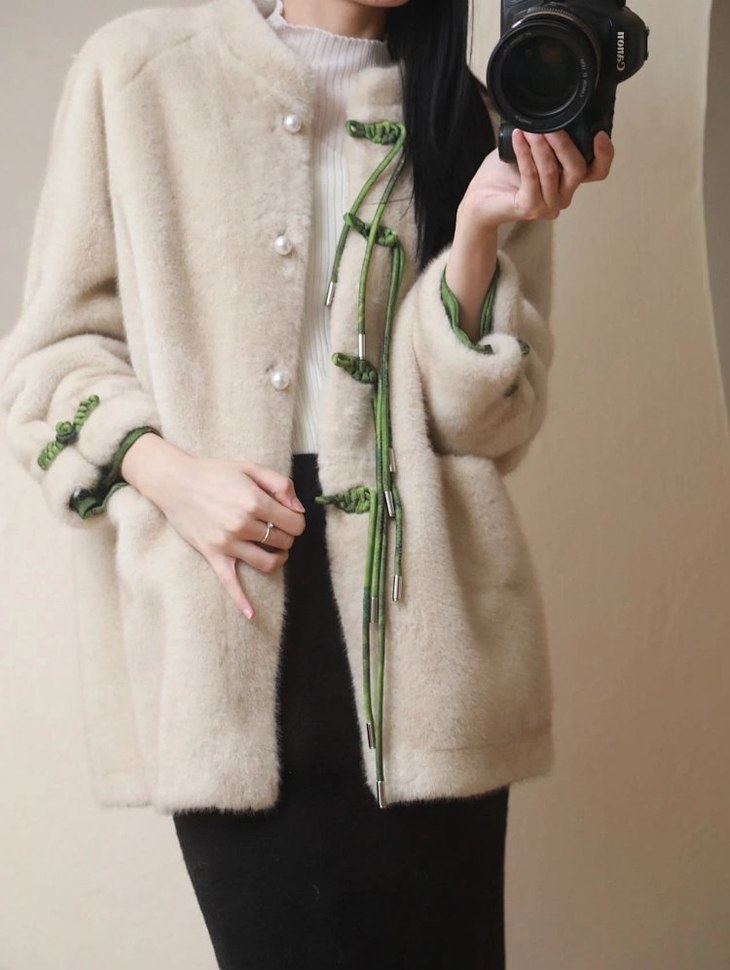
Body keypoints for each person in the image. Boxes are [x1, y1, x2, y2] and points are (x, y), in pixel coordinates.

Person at [0, 0, 614, 966]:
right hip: (229, 621)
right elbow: (50, 364)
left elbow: (488, 427)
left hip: (429, 638)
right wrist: (175, 479)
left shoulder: (481, 113)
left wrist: (479, 231)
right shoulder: (139, 72)